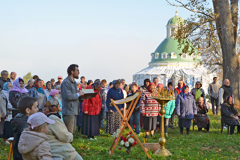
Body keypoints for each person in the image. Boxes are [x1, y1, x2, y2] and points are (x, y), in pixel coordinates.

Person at [61, 64, 84, 134]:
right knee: (68, 133)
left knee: (72, 132)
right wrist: (78, 94)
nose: (79, 72)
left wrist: (82, 97)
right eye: (77, 70)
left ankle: (69, 145)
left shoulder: (73, 82)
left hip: (73, 110)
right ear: (72, 72)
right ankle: (67, 145)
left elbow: (75, 96)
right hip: (69, 111)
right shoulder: (66, 82)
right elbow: (67, 97)